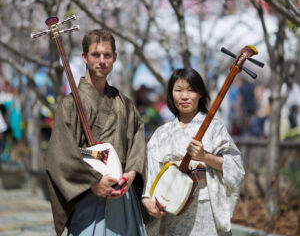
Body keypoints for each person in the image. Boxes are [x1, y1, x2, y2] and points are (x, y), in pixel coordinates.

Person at [45, 29, 146, 236]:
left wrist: (131, 174)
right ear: (84, 57)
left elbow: (137, 139)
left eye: (107, 55)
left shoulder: (124, 103)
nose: (102, 60)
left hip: (123, 195)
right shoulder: (70, 105)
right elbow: (60, 155)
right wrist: (93, 183)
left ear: (114, 58)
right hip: (88, 198)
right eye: (95, 54)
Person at [141, 68, 245, 236]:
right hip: (171, 209)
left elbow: (235, 167)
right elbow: (151, 175)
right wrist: (147, 199)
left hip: (206, 209)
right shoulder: (162, 134)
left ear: (200, 94)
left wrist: (205, 157)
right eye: (178, 90)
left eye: (191, 90)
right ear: (171, 94)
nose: (184, 96)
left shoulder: (214, 128)